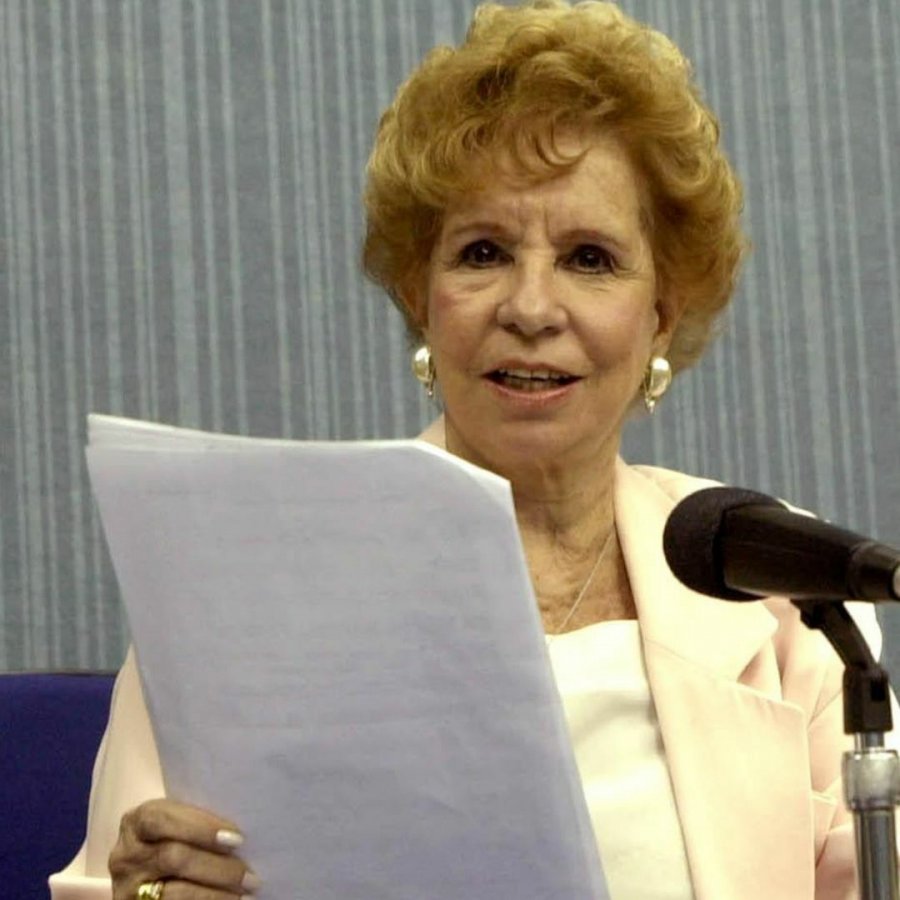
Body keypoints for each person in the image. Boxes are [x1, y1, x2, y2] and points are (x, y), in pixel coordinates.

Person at [50, 2, 880, 898]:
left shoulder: (774, 584)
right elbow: (133, 878)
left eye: (589, 259)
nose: (531, 308)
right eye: (483, 252)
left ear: (661, 316)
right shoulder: (240, 592)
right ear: (422, 297)